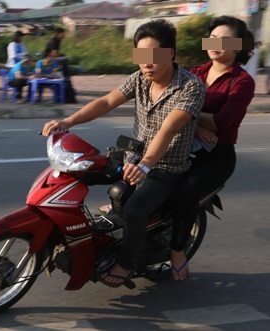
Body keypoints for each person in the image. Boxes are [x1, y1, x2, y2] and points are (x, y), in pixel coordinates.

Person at [42, 19, 205, 288]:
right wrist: (67, 122)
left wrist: (146, 165)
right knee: (75, 170)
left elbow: (169, 128)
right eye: (141, 56)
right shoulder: (140, 79)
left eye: (155, 56)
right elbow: (106, 101)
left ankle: (126, 262)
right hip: (131, 156)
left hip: (165, 166)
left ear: (171, 53)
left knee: (135, 208)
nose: (147, 63)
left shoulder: (190, 86)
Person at [169, 16, 255, 281]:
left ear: (238, 45)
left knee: (187, 190)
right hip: (185, 142)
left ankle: (177, 250)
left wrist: (188, 113)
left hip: (216, 155)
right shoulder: (195, 72)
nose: (216, 44)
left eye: (225, 39)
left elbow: (222, 122)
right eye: (213, 37)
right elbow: (170, 105)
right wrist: (195, 124)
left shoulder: (242, 81)